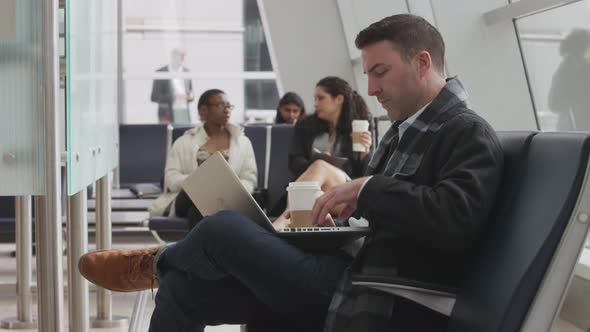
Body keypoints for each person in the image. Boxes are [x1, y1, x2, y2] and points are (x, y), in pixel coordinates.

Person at [79, 14, 503, 331]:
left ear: (422, 62)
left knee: (224, 229)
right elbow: (393, 215)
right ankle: (165, 270)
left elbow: (455, 220)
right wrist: (340, 219)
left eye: (379, 72)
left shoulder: (467, 132)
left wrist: (368, 189)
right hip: (352, 270)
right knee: (181, 290)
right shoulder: (406, 132)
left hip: (384, 294)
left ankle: (156, 263)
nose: (371, 89)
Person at [148, 89, 258, 228]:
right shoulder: (184, 142)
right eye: (220, 105)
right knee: (200, 199)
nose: (227, 110)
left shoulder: (242, 143)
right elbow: (171, 179)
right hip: (188, 198)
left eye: (229, 106)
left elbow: (249, 179)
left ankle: (200, 249)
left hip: (227, 201)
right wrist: (200, 181)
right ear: (203, 111)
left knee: (200, 211)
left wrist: (229, 189)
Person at [289, 76, 373, 180]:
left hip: (343, 185)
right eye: (315, 99)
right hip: (311, 182)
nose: (315, 104)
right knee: (320, 165)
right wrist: (316, 161)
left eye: (321, 98)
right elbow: (295, 161)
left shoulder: (357, 128)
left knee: (321, 166)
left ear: (339, 99)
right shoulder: (305, 125)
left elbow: (366, 176)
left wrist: (365, 153)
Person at [548, 29, 590, 131]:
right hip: (582, 129)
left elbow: (554, 105)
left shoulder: (563, 69)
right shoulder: (582, 69)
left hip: (569, 130)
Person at [150, 48, 195, 123]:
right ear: (173, 56)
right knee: (168, 134)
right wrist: (174, 96)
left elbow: (190, 93)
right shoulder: (161, 72)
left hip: (183, 112)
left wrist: (190, 96)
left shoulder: (187, 72)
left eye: (184, 56)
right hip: (167, 113)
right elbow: (154, 97)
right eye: (180, 56)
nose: (183, 58)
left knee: (184, 133)